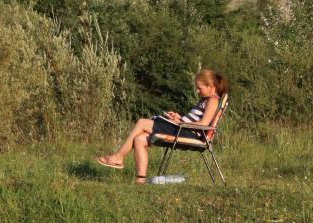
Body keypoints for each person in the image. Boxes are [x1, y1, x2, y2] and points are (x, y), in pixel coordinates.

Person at [96, 69, 228, 184]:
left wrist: (180, 123)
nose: (198, 91)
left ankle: (118, 157)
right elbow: (196, 120)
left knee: (142, 122)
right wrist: (179, 118)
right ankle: (140, 179)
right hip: (183, 129)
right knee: (140, 139)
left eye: (200, 88)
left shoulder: (213, 100)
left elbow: (203, 125)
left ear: (210, 86)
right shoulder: (206, 100)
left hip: (189, 133)